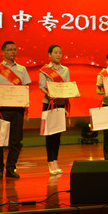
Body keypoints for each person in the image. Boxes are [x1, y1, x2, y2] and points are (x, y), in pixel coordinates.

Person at [0, 41, 32, 180]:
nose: (12, 52)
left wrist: (26, 101)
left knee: (15, 141)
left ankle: (11, 168)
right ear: (3, 52)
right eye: (9, 50)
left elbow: (26, 88)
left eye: (14, 49)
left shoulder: (22, 69)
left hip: (18, 109)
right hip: (2, 109)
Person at [39, 44, 71, 174]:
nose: (58, 55)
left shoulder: (65, 70)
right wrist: (49, 94)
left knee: (58, 135)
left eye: (60, 52)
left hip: (61, 104)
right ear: (49, 54)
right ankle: (50, 161)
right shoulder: (44, 70)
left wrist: (72, 93)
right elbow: (42, 86)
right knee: (50, 134)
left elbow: (67, 86)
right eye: (55, 52)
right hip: (49, 104)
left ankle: (55, 160)